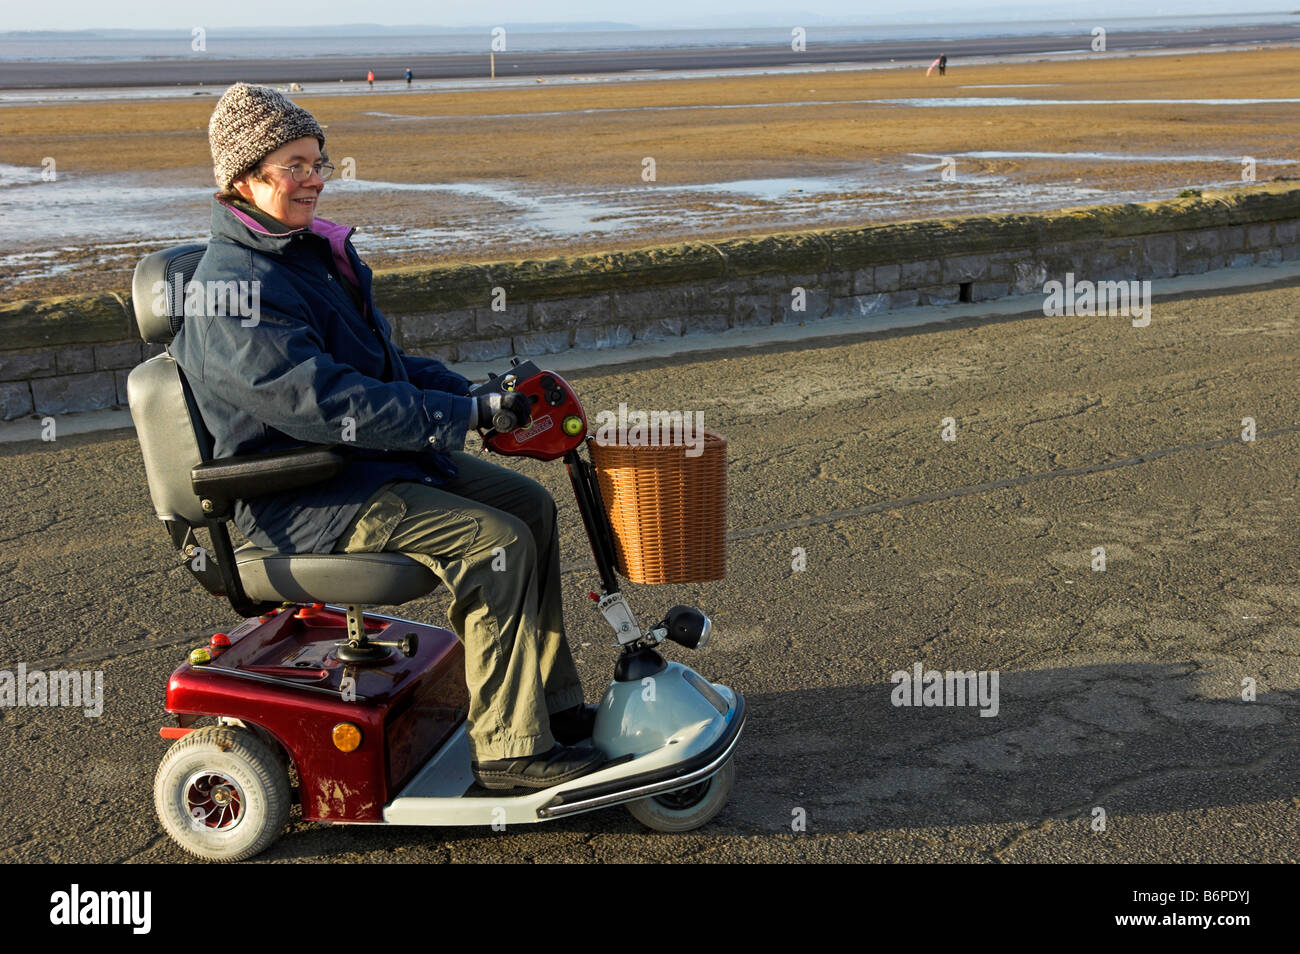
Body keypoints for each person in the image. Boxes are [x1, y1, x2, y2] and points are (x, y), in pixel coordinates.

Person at [169, 83, 605, 790]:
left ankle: (548, 705)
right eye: (295, 164)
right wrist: (455, 418)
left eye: (319, 160)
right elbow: (322, 403)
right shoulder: (234, 291)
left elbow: (382, 369)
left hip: (362, 468)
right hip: (304, 493)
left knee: (530, 506)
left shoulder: (301, 257)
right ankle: (509, 750)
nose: (314, 177)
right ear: (243, 179)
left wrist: (473, 395)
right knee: (493, 543)